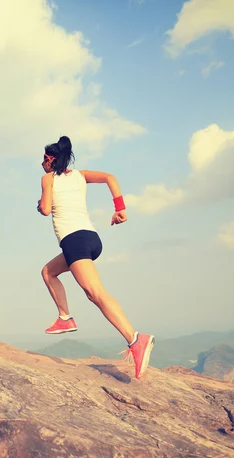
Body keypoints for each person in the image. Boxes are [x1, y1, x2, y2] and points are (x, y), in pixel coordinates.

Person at [37, 136, 154, 379]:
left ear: (51, 161)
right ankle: (65, 317)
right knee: (48, 272)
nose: (42, 164)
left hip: (74, 241)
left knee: (95, 293)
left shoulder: (48, 179)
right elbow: (110, 177)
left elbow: (46, 209)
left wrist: (40, 204)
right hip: (91, 239)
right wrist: (120, 208)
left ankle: (135, 339)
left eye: (43, 160)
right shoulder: (81, 175)